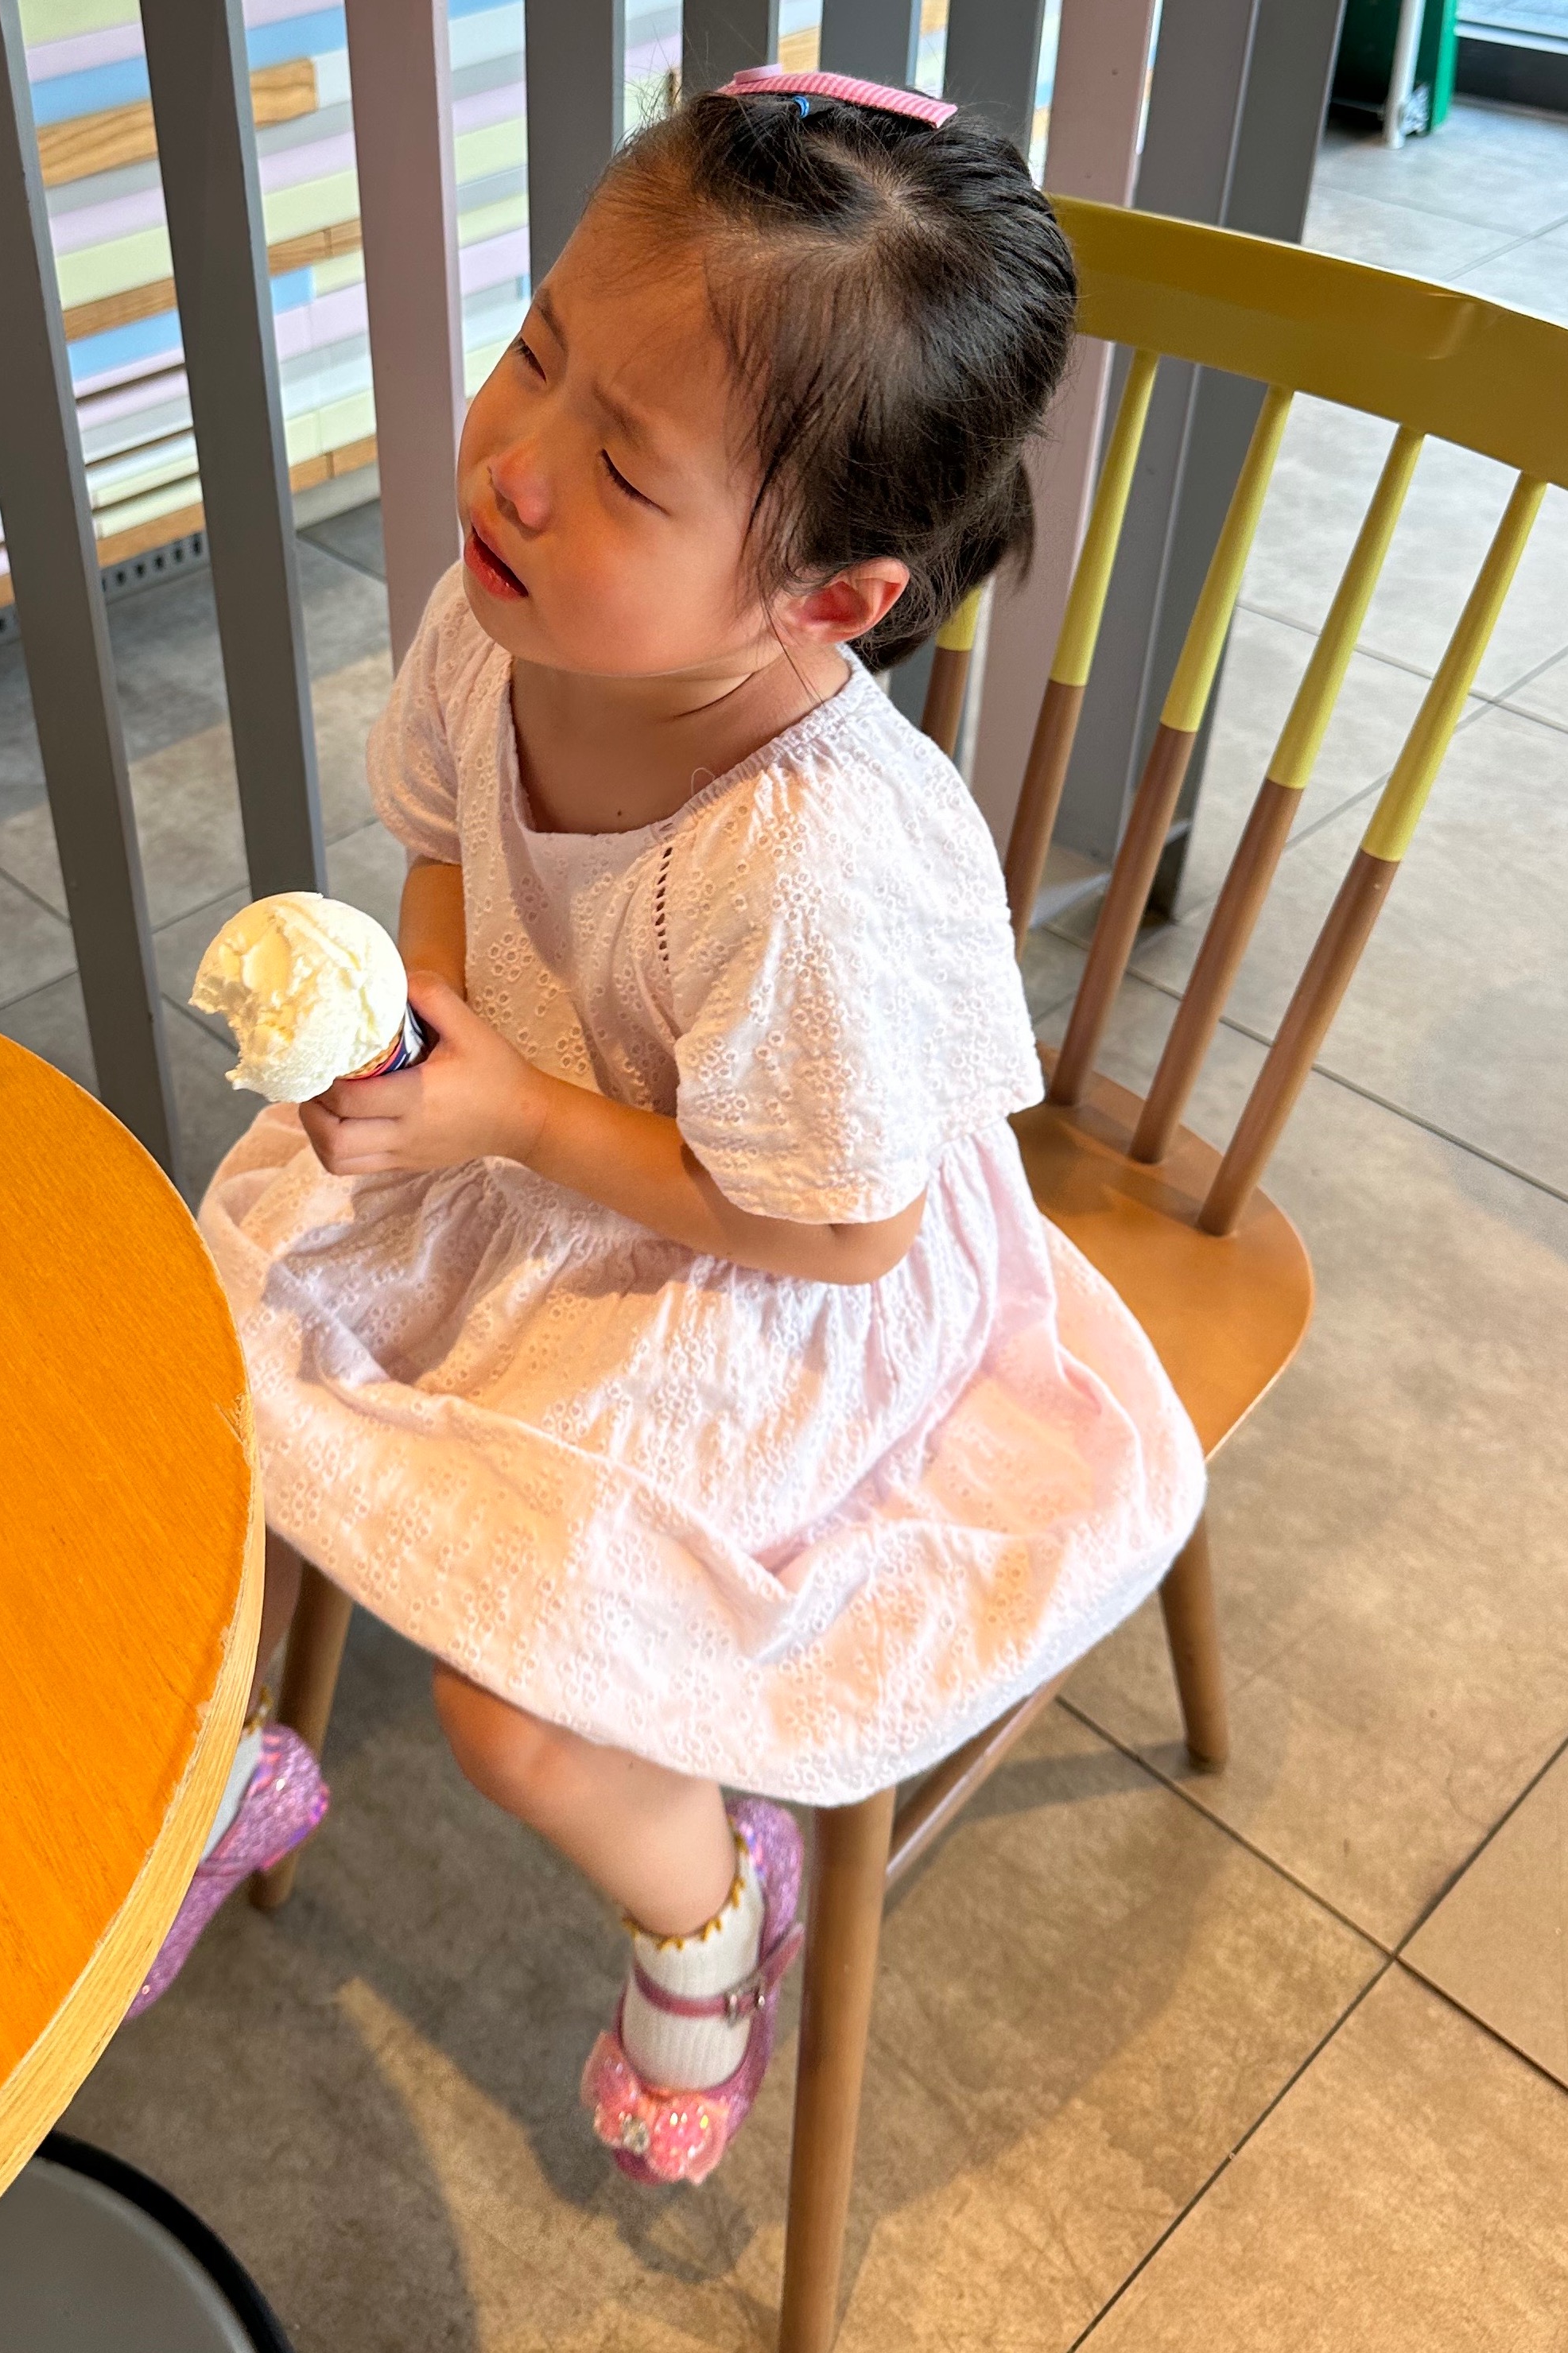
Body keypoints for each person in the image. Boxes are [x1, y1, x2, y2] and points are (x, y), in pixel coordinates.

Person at [139, 67, 1205, 2182]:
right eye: (535, 349)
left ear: (829, 599)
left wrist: (519, 1115)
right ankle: (199, 1765)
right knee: (188, 1370)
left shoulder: (813, 862)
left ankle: (712, 1910)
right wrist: (425, 1024)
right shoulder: (502, 610)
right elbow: (446, 834)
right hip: (530, 1139)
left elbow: (845, 1234)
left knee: (520, 1711)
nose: (516, 467)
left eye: (625, 467)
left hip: (761, 1264)